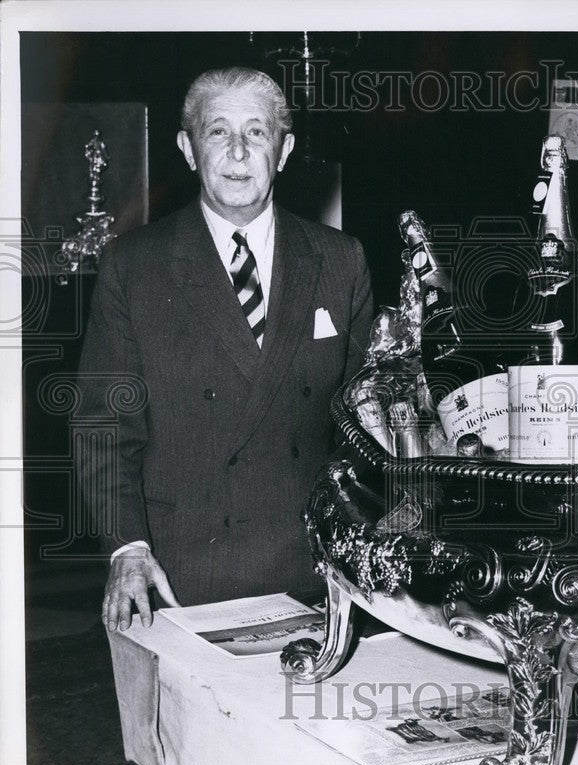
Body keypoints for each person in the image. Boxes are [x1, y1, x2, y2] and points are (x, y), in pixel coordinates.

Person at [75, 67, 373, 629]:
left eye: (257, 133)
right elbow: (104, 427)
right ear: (189, 150)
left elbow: (359, 424)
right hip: (178, 572)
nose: (238, 152)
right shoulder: (134, 267)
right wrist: (127, 549)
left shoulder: (340, 260)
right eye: (218, 132)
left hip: (311, 570)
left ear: (282, 152)